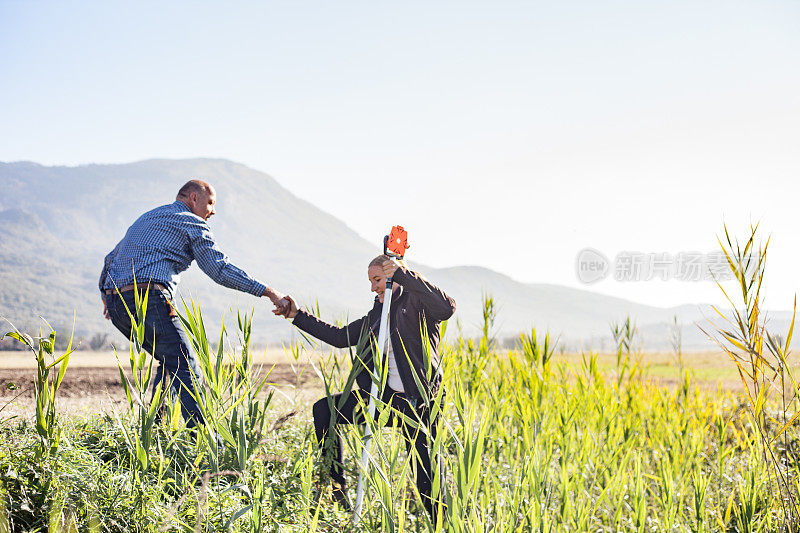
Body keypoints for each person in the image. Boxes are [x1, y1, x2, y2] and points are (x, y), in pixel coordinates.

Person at [275, 255, 455, 520]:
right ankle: (337, 491)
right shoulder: (376, 317)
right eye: (371, 282)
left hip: (420, 407)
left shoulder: (418, 304)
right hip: (384, 404)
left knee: (426, 482)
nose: (373, 288)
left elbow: (446, 308)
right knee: (326, 410)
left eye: (378, 280)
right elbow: (339, 337)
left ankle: (443, 523)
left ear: (396, 275)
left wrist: (405, 275)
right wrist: (296, 315)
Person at [100, 180, 288, 427]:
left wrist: (106, 295)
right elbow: (219, 269)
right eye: (210, 203)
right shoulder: (192, 222)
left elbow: (110, 257)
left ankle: (156, 432)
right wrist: (269, 292)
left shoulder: (148, 217)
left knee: (170, 361)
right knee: (186, 365)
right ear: (192, 199)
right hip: (149, 299)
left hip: (117, 304)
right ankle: (206, 445)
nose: (213, 211)